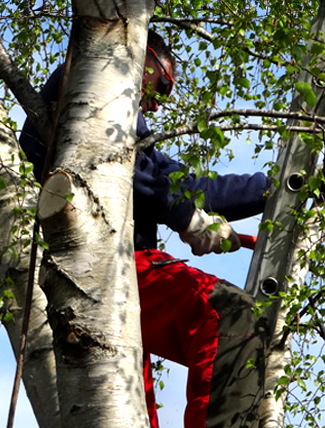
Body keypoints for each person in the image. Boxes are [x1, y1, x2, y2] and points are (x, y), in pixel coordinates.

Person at [20, 31, 271, 428]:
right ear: (142, 55)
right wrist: (188, 218)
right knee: (229, 314)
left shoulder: (130, 133)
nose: (159, 100)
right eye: (163, 83)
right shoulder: (91, 85)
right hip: (107, 266)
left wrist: (270, 190)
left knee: (132, 416)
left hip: (108, 278)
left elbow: (185, 187)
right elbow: (106, 159)